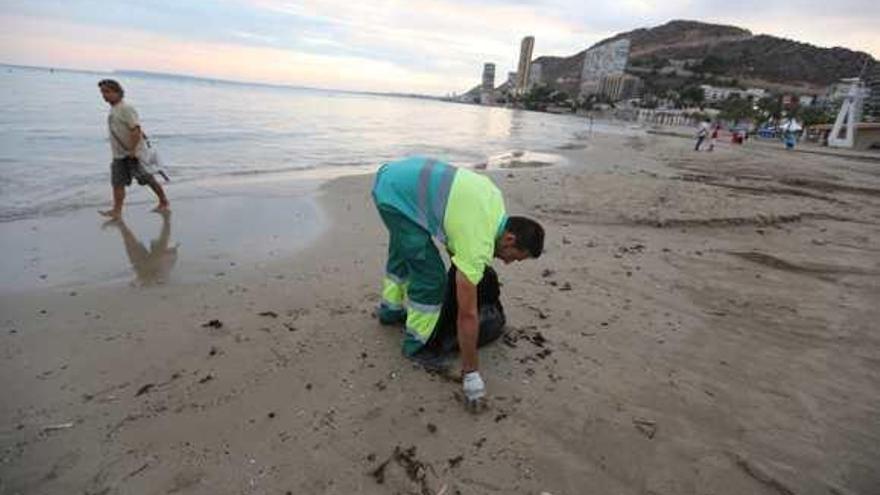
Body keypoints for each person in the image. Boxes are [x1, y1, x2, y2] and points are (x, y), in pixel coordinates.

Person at [372, 156, 544, 407]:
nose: (507, 263)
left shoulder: (493, 200)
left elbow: (456, 231)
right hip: (397, 198)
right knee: (430, 278)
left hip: (395, 176)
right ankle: (415, 347)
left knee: (404, 251)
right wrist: (471, 373)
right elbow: (467, 315)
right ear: (509, 239)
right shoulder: (478, 243)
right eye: (515, 258)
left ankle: (390, 311)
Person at [98, 79, 169, 219]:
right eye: (102, 92)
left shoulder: (126, 108)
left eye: (107, 92)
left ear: (118, 92)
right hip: (119, 155)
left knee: (147, 179)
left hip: (133, 154)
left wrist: (132, 150)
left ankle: (164, 201)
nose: (104, 95)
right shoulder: (114, 109)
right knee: (117, 183)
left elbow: (136, 130)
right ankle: (116, 211)